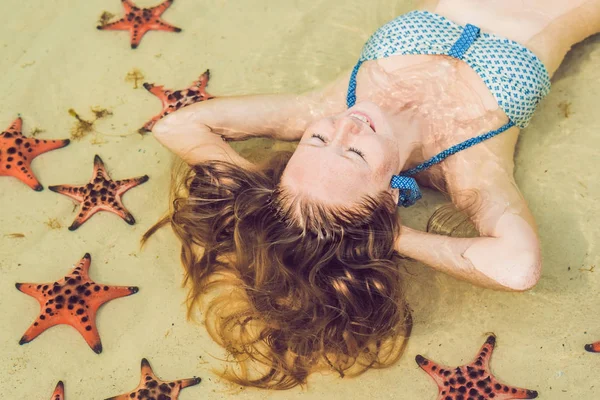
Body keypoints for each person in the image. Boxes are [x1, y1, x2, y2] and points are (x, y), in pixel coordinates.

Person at [144, 0, 600, 389]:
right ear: (386, 201)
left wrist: (265, 196)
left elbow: (177, 125)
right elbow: (519, 269)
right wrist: (390, 236)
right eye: (356, 154)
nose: (346, 125)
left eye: (315, 142)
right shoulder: (468, 164)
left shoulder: (321, 107)